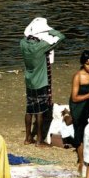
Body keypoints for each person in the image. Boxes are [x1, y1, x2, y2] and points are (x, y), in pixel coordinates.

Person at [21, 17, 65, 145]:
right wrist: (49, 30)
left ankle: (28, 137)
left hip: (29, 80)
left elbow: (26, 35)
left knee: (29, 109)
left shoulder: (23, 43)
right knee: (40, 110)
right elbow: (61, 36)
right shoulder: (41, 46)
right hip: (40, 82)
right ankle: (39, 139)